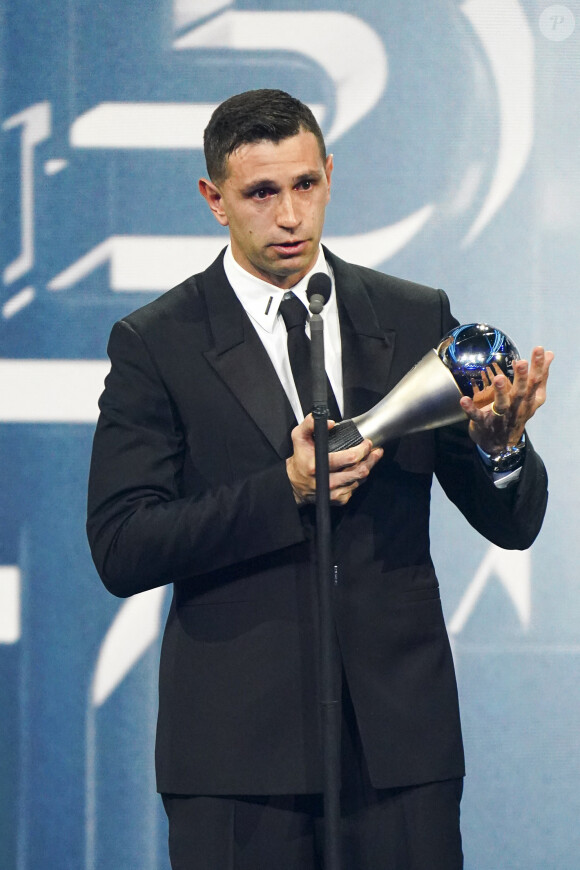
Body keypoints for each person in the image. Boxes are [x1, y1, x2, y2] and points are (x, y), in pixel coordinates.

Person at [86, 89, 553, 869]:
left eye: (305, 185)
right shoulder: (156, 343)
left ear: (329, 174)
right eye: (261, 193)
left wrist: (500, 451)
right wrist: (287, 489)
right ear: (215, 199)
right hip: (237, 762)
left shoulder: (411, 316)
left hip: (402, 752)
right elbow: (122, 545)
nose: (291, 217)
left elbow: (513, 523)